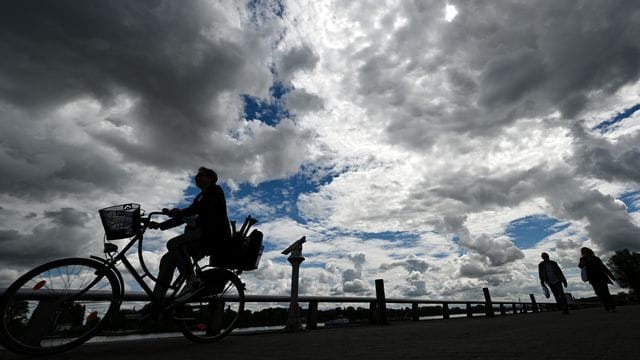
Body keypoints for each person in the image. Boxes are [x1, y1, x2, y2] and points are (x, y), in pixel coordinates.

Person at [149, 166, 231, 304]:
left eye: (200, 175)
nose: (196, 178)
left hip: (214, 236)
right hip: (204, 235)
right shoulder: (201, 196)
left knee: (174, 243)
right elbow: (187, 213)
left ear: (210, 178)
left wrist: (180, 214)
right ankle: (156, 301)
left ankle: (192, 279)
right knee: (167, 259)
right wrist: (160, 225)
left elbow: (202, 214)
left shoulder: (215, 191)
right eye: (196, 176)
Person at [578, 247, 616, 312]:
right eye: (583, 252)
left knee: (606, 292)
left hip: (601, 277)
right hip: (592, 278)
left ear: (589, 251)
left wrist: (611, 275)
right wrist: (583, 262)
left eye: (586, 251)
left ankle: (612, 307)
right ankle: (606, 306)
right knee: (599, 293)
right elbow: (580, 266)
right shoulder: (582, 259)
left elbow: (603, 267)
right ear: (582, 253)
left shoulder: (595, 258)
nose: (585, 253)